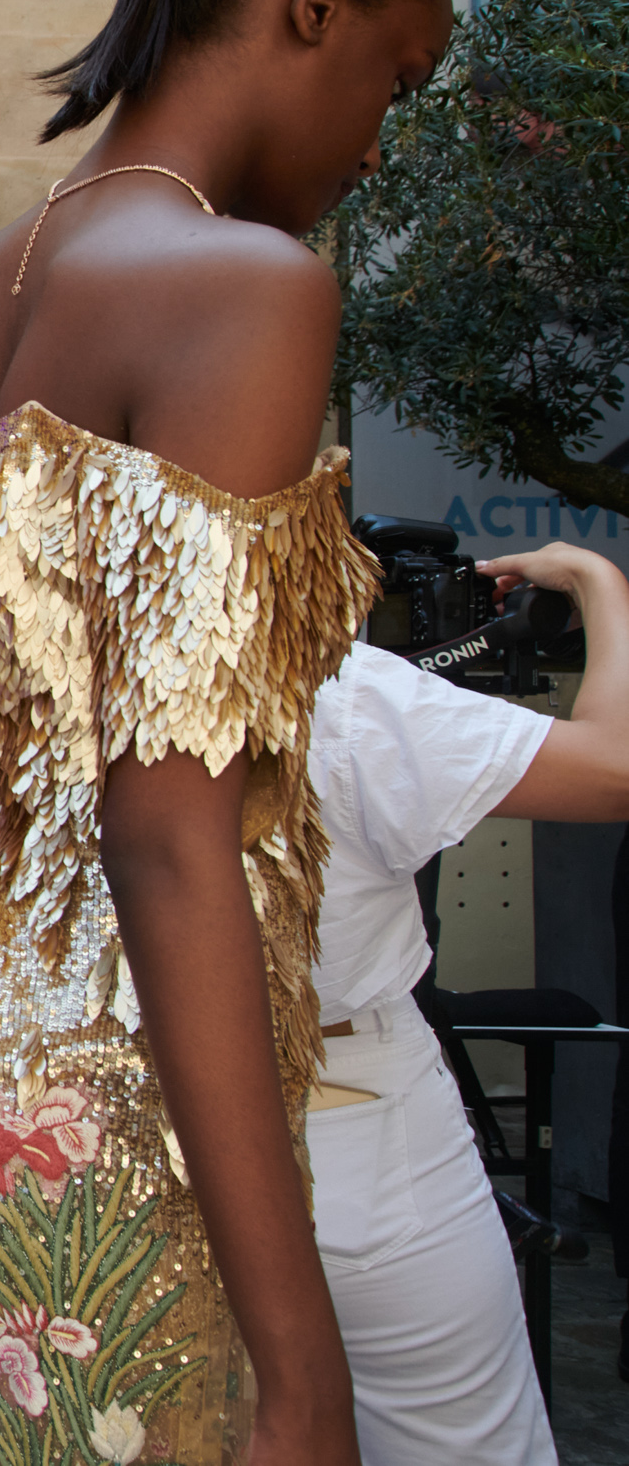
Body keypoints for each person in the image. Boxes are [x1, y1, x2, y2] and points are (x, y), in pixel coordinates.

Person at [0, 0, 450, 1463]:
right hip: (110, 1107)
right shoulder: (244, 286)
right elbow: (169, 836)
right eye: (399, 79)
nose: (381, 148)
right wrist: (302, 1361)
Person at [305, 541, 629, 1464]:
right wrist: (599, 582)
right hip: (352, 1111)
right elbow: (616, 767)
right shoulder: (343, 691)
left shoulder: (39, 684)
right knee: (458, 1434)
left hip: (116, 1121)